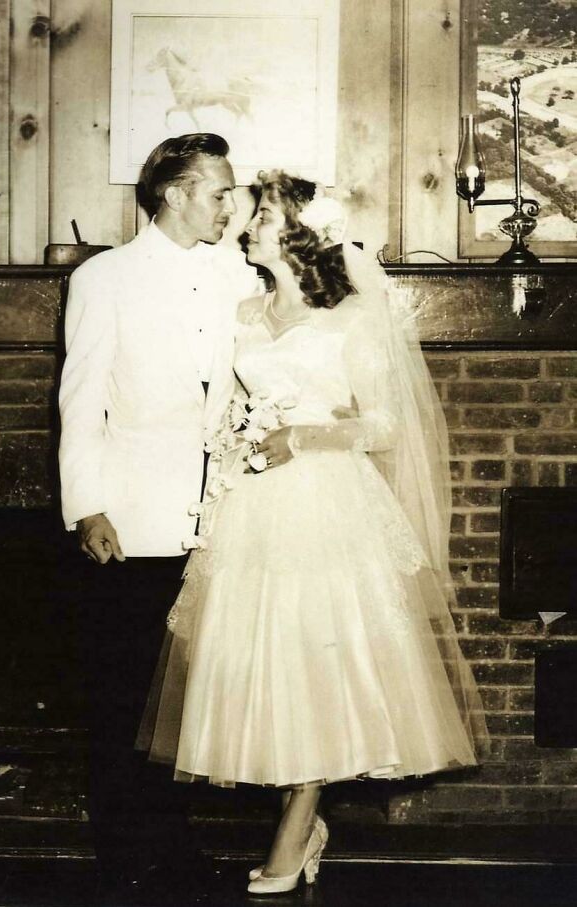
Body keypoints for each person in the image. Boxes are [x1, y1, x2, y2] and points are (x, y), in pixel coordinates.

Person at [137, 171, 489, 895]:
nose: (247, 225)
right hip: (254, 511)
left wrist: (302, 439)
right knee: (269, 665)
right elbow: (223, 409)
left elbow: (384, 425)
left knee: (324, 666)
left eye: (262, 214)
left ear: (300, 231)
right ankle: (304, 813)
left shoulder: (350, 320)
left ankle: (298, 822)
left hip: (327, 506)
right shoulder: (242, 311)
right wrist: (232, 445)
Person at [57, 133, 258, 880]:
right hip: (132, 517)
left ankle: (175, 849)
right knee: (124, 693)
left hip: (218, 517)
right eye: (218, 192)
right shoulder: (105, 278)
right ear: (175, 193)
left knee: (187, 696)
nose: (229, 208)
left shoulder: (239, 273)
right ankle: (125, 859)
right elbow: (79, 402)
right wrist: (88, 506)